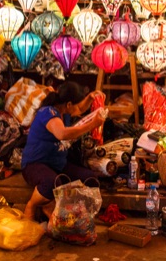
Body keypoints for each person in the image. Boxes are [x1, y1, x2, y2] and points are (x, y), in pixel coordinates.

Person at [21, 82, 107, 220]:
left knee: (90, 179)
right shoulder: (48, 113)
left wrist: (90, 98)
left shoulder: (65, 111)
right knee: (52, 183)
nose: (79, 109)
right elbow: (61, 133)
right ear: (68, 104)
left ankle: (76, 216)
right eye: (76, 105)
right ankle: (32, 205)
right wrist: (92, 125)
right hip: (35, 164)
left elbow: (79, 108)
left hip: (57, 164)